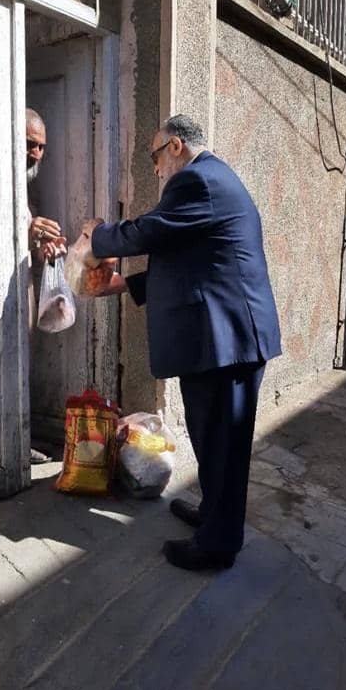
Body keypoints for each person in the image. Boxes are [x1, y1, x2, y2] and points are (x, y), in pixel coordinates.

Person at [82, 114, 281, 570]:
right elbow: (187, 267)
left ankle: (218, 546)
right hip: (220, 340)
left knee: (224, 446)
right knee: (214, 440)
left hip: (229, 343)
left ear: (175, 146)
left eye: (155, 156)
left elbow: (150, 231)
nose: (154, 169)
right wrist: (123, 286)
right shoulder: (211, 182)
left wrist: (98, 238)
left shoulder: (197, 181)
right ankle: (213, 515)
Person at [25, 108, 66, 464]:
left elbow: (30, 251)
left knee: (22, 368)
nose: (35, 154)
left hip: (20, 292)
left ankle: (21, 441)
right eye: (28, 144)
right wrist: (26, 229)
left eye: (40, 147)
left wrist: (44, 250)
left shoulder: (27, 186)